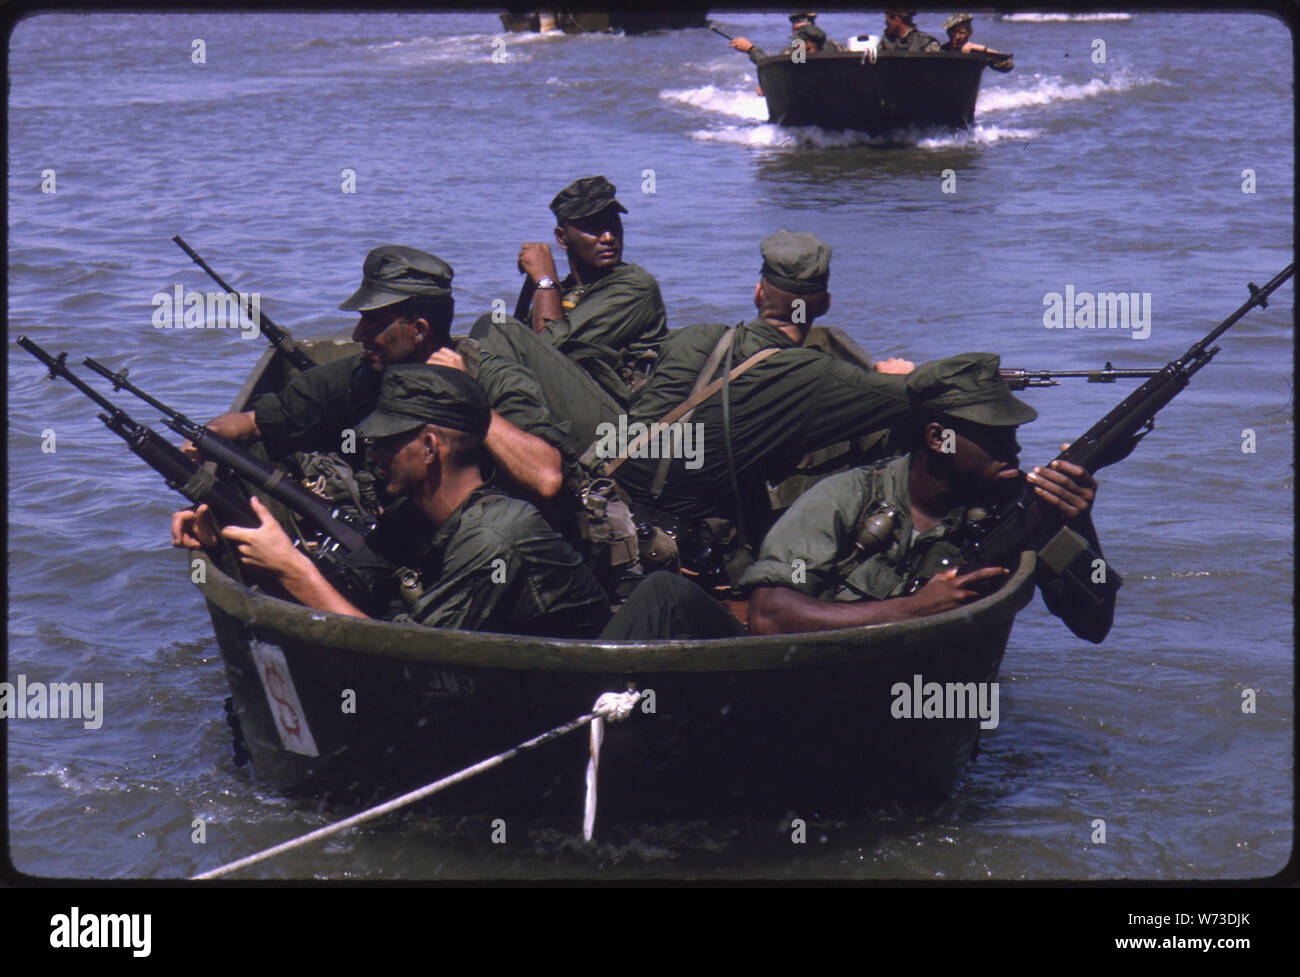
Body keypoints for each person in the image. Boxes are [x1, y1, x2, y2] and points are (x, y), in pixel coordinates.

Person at [172, 365, 739, 639]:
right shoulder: (413, 521)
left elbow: (402, 657)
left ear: (429, 445)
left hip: (573, 701)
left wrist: (292, 570)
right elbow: (349, 593)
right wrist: (233, 544)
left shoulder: (496, 537)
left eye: (387, 441)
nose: (370, 452)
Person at [742, 353, 1115, 644]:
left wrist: (1078, 522)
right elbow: (768, 615)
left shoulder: (1018, 508)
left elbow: (1094, 625)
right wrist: (911, 610)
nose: (1014, 450)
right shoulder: (847, 497)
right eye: (994, 437)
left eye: (1013, 434)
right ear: (939, 439)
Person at [610, 231, 915, 582]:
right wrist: (901, 376)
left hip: (618, 516)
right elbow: (915, 395)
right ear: (825, 304)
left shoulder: (692, 336)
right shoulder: (813, 374)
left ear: (757, 293)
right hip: (690, 553)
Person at [188, 245, 568, 511]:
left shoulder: (494, 380)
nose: (358, 335)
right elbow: (254, 424)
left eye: (374, 322)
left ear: (419, 330)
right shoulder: (363, 376)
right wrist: (203, 439)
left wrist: (469, 402)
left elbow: (547, 479)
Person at [514, 175, 668, 408]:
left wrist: (545, 280)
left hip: (612, 411)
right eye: (593, 228)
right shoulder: (566, 290)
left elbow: (547, 357)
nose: (608, 238)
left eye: (613, 225)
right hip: (567, 401)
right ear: (562, 238)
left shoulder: (635, 287)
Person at [939, 13, 1013, 70]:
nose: (957, 37)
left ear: (970, 33)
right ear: (948, 32)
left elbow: (1008, 64)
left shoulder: (975, 52)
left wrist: (981, 49)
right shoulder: (940, 51)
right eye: (953, 32)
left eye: (962, 33)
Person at [730, 21, 830, 63]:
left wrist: (751, 49)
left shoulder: (801, 62)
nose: (794, 45)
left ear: (806, 46)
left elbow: (773, 68)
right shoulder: (831, 54)